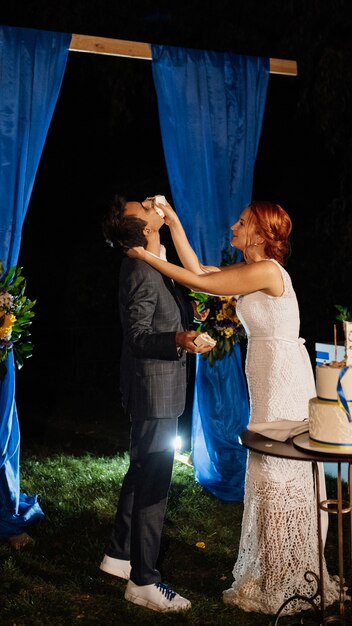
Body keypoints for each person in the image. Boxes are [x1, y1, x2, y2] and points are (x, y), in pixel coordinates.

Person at [127, 198, 340, 616]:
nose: (234, 226)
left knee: (281, 470)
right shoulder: (250, 272)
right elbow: (199, 272)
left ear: (261, 234)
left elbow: (201, 283)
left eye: (242, 223)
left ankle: (290, 576)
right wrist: (172, 222)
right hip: (264, 373)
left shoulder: (267, 271)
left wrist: (143, 256)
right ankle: (274, 570)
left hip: (282, 379)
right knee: (267, 470)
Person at [100, 194, 214, 613]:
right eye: (144, 208)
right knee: (154, 485)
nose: (152, 203)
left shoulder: (154, 261)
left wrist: (188, 317)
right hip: (154, 391)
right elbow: (139, 336)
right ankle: (144, 581)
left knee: (141, 470)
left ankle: (117, 555)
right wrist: (181, 340)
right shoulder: (140, 270)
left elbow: (163, 313)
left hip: (152, 388)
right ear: (145, 229)